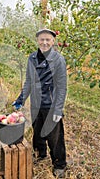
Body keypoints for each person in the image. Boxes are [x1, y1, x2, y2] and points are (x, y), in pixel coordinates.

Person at [12, 28, 67, 178]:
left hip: (51, 105)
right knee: (38, 133)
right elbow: (29, 82)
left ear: (53, 41)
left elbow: (62, 87)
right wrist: (20, 99)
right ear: (37, 40)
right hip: (36, 104)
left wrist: (58, 110)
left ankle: (59, 164)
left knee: (55, 138)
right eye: (41, 39)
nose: (44, 42)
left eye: (47, 39)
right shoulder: (32, 58)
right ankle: (40, 154)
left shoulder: (58, 60)